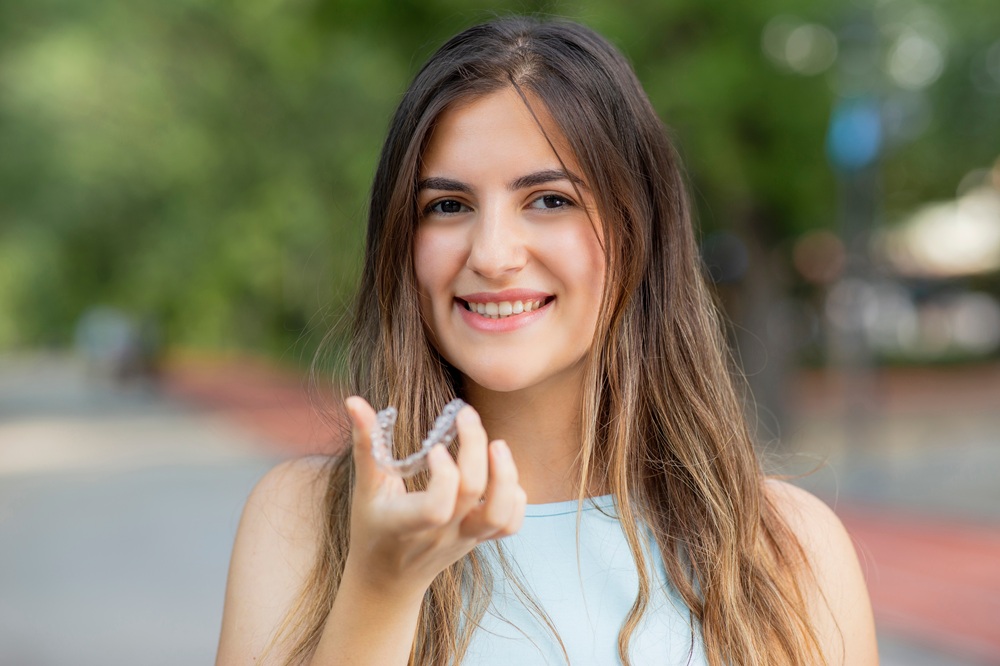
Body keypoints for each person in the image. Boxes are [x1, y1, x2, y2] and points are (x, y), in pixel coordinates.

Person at [216, 16, 877, 666]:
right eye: (448, 206)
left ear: (638, 231)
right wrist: (381, 589)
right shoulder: (302, 519)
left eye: (549, 200)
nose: (494, 254)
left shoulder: (786, 547)